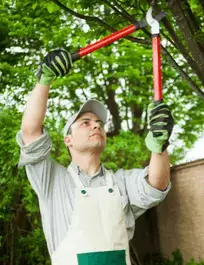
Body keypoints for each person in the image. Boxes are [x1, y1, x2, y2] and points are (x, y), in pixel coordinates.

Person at [16, 49, 174, 265]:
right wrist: (45, 78)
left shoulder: (121, 182)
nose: (96, 126)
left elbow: (156, 184)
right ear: (68, 140)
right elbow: (31, 133)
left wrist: (160, 145)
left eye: (99, 124)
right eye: (85, 123)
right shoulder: (52, 181)